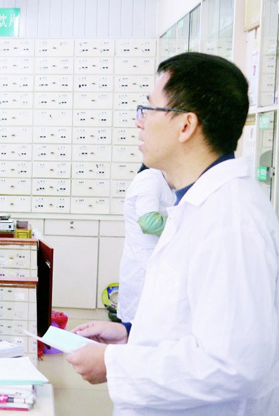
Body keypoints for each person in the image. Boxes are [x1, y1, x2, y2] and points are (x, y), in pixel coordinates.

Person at [66, 52, 279, 415]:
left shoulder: (232, 221)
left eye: (148, 109)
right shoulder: (198, 202)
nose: (139, 122)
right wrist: (132, 334)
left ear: (186, 125)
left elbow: (233, 365)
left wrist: (114, 364)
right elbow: (193, 319)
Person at [117, 164, 175, 322]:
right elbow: (149, 223)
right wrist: (186, 223)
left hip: (156, 263)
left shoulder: (165, 182)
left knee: (153, 321)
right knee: (137, 323)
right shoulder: (149, 179)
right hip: (142, 265)